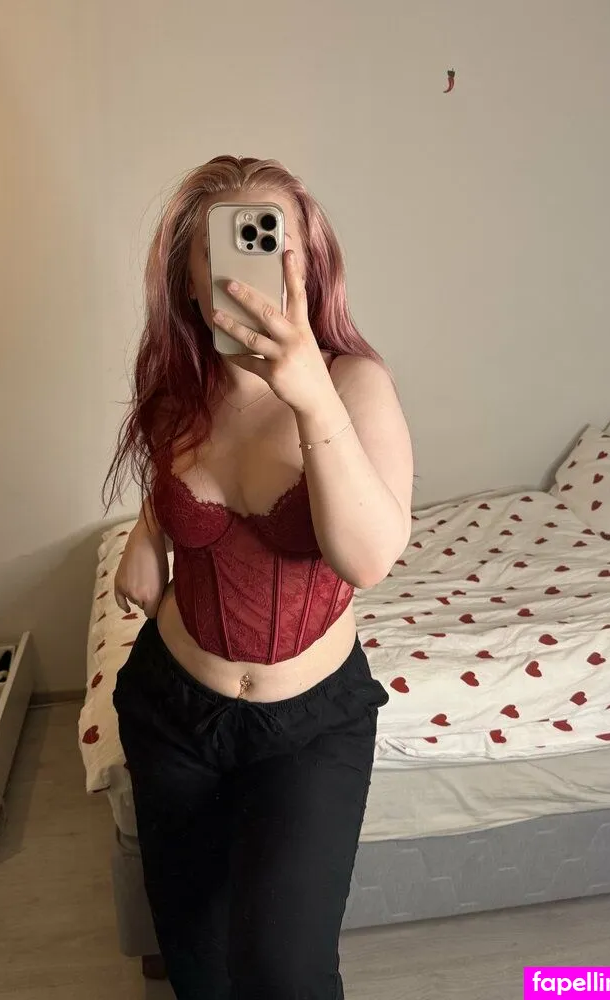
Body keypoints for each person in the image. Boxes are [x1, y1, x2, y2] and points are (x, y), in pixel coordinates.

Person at [108, 154, 413, 1000]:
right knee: (197, 962)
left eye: (277, 245)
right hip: (171, 710)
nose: (253, 272)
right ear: (189, 276)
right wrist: (148, 529)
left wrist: (310, 395)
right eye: (222, 249)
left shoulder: (355, 384)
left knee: (285, 973)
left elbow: (368, 558)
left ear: (312, 264)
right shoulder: (178, 387)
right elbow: (175, 482)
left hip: (309, 726)